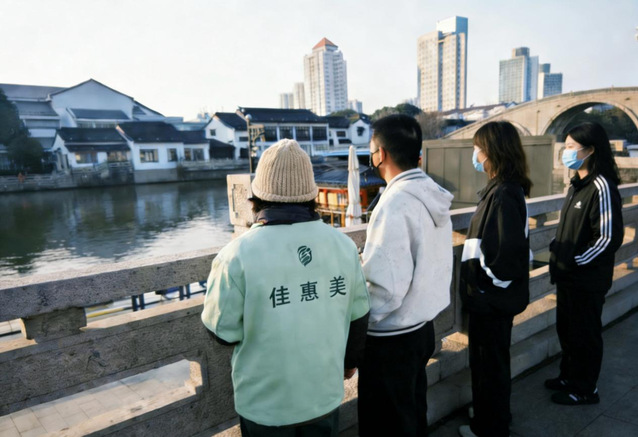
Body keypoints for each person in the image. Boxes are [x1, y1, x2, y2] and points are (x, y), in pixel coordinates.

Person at [201, 139, 370, 436]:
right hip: (324, 396)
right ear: (312, 196)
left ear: (256, 198)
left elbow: (222, 333)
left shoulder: (235, 256)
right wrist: (349, 363)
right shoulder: (343, 246)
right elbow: (359, 315)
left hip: (266, 406)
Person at [358, 114, 453, 437]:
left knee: (385, 424)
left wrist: (358, 325)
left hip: (391, 338)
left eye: (371, 151)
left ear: (380, 154)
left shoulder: (394, 203)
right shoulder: (432, 193)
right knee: (411, 412)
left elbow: (385, 289)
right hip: (422, 327)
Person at [458, 121, 532, 437]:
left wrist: (483, 289)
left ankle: (489, 427)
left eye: (478, 148)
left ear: (490, 152)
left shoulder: (502, 194)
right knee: (491, 363)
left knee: (489, 365)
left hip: (491, 301)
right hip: (493, 300)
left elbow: (506, 257)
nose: (475, 154)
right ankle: (491, 414)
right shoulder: (505, 189)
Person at [546, 122, 624, 405]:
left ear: (590, 150)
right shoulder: (576, 185)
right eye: (565, 146)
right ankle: (569, 376)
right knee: (567, 330)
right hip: (568, 277)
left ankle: (585, 389)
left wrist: (574, 261)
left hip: (586, 279)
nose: (566, 152)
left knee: (585, 334)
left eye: (571, 147)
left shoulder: (601, 187)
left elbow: (607, 238)